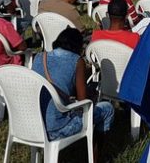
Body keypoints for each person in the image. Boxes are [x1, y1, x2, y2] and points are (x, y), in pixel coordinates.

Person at [31, 28, 114, 161]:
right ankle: (96, 158)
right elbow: (82, 102)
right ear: (78, 46)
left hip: (32, 125)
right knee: (107, 109)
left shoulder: (39, 57)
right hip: (55, 130)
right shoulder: (76, 61)